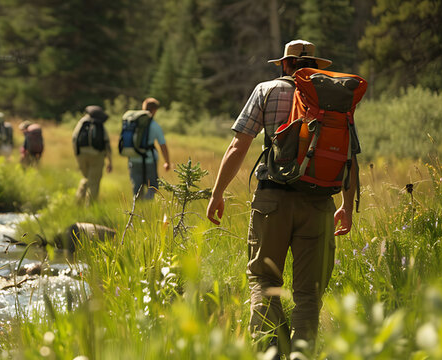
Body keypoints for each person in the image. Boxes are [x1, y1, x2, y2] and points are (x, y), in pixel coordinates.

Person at [205, 40, 358, 358]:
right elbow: (349, 157)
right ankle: (301, 353)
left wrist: (218, 193)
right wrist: (347, 205)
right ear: (315, 65)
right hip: (318, 203)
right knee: (308, 292)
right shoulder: (335, 97)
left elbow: (238, 146)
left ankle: (269, 351)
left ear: (284, 63)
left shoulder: (267, 89)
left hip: (272, 200)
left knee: (263, 277)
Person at [126, 98, 170, 199]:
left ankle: (137, 210)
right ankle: (146, 206)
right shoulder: (154, 125)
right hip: (149, 160)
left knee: (137, 189)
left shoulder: (133, 122)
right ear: (154, 110)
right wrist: (167, 162)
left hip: (133, 159)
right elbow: (162, 145)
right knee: (153, 187)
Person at [72, 105, 113, 203]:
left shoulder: (81, 123)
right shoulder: (100, 125)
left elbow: (74, 139)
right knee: (94, 183)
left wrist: (77, 156)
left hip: (81, 155)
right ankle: (90, 208)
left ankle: (78, 201)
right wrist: (110, 161)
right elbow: (107, 144)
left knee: (86, 178)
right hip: (97, 156)